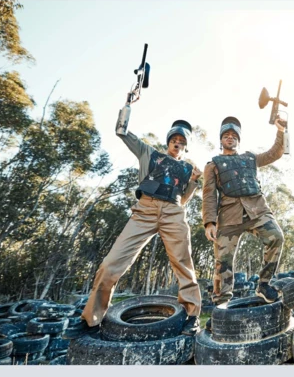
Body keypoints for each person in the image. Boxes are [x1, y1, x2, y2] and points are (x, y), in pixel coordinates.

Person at [81, 118, 203, 336]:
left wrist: (193, 181)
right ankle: (91, 320)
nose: (177, 144)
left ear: (186, 146)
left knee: (184, 264)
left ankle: (192, 316)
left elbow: (183, 200)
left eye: (182, 142)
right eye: (174, 140)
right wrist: (126, 108)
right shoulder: (150, 154)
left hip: (173, 212)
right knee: (111, 263)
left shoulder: (187, 168)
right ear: (168, 141)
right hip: (144, 210)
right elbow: (123, 132)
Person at [202, 116, 287, 304]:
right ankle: (221, 303)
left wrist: (280, 132)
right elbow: (209, 195)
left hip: (257, 210)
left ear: (238, 139)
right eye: (226, 135)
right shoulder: (213, 165)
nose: (230, 137)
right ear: (221, 139)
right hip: (229, 216)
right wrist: (210, 222)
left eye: (233, 135)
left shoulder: (250, 158)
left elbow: (274, 153)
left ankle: (264, 285)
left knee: (276, 237)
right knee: (222, 260)